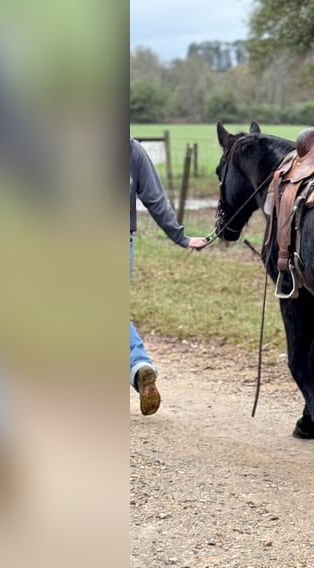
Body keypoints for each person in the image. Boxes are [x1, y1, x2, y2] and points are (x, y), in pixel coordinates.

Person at [130, 137, 207, 415]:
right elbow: (154, 198)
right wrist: (180, 236)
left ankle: (138, 365)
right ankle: (139, 367)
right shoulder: (132, 148)